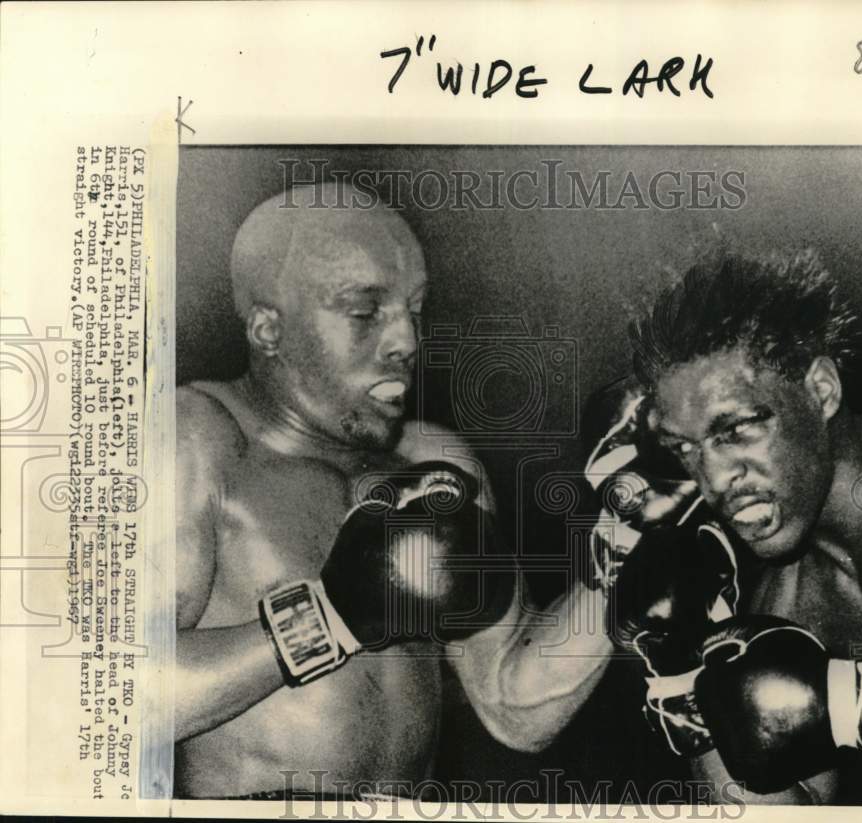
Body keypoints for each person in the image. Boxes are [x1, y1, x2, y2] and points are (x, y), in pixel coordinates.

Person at [173, 183, 616, 799]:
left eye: (414, 310)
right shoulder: (199, 434)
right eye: (365, 312)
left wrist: (624, 547)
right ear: (268, 328)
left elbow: (516, 708)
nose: (406, 340)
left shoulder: (435, 462)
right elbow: (108, 698)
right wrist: (329, 620)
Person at [617, 249, 862, 804]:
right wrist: (682, 680)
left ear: (821, 391)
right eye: (685, 449)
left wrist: (857, 705)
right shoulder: (785, 609)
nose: (713, 477)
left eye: (734, 430)